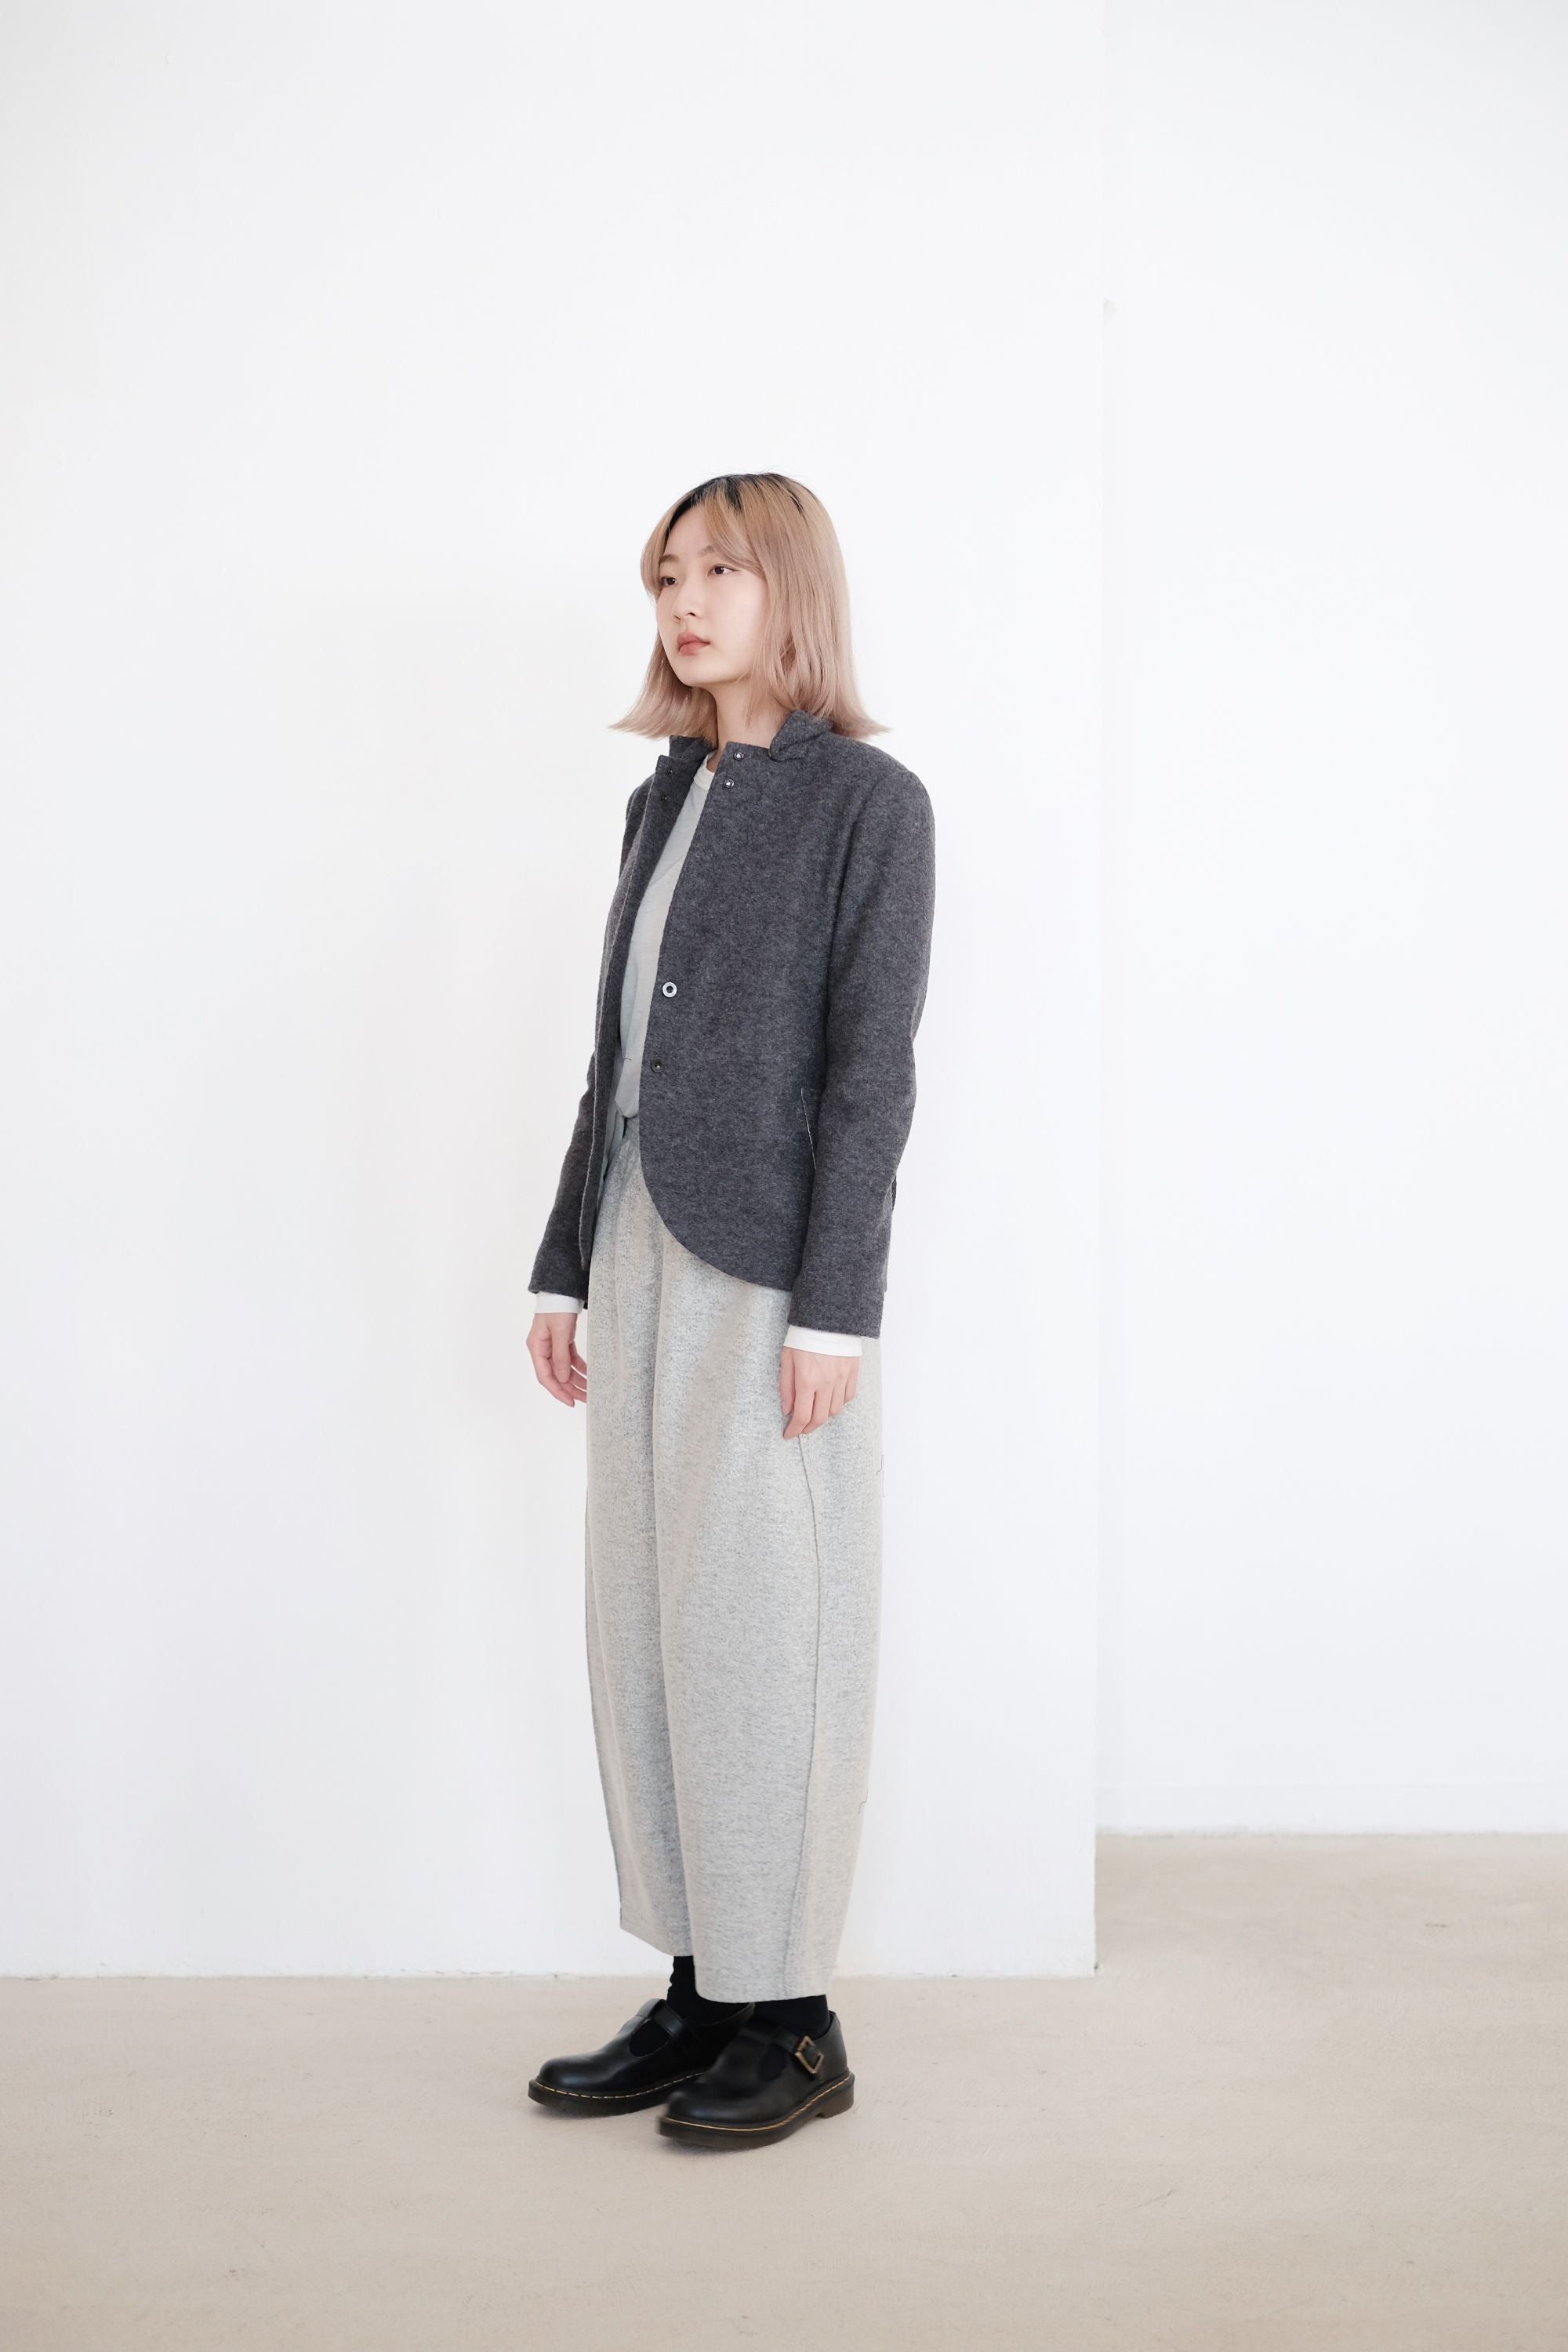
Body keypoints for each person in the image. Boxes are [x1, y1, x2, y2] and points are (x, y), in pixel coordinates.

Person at [523, 471, 936, 2150]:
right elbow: (613, 1055)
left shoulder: (871, 806)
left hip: (768, 1268)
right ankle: (703, 1987)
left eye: (719, 571)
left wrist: (838, 1309)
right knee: (649, 1625)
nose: (684, 603)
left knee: (767, 1632)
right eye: (665, 577)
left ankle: (796, 2017)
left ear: (792, 592)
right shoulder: (661, 799)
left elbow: (870, 1075)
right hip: (636, 1244)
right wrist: (564, 1259)